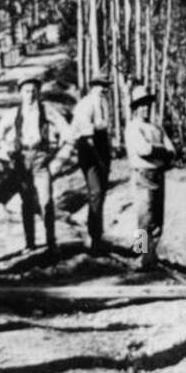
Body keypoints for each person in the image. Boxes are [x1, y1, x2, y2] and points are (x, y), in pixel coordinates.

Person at [0, 77, 74, 255]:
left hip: (41, 159)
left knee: (46, 201)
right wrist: (8, 150)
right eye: (26, 91)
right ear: (21, 93)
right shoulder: (15, 113)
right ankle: (29, 243)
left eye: (33, 91)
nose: (30, 95)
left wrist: (59, 159)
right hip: (22, 161)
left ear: (38, 93)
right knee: (27, 202)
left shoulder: (47, 110)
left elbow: (68, 133)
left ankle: (51, 242)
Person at [124, 84, 175, 270]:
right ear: (135, 108)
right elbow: (144, 150)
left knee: (158, 219)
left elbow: (172, 150)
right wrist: (159, 151)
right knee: (144, 217)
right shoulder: (133, 128)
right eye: (141, 105)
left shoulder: (156, 128)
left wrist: (158, 151)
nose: (145, 108)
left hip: (158, 174)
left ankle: (150, 256)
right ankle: (140, 254)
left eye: (147, 105)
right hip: (142, 174)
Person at [71, 70, 113, 255]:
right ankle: (94, 238)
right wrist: (98, 159)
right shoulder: (85, 104)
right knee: (96, 192)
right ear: (93, 86)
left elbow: (104, 128)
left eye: (106, 86)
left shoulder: (104, 102)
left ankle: (98, 235)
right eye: (101, 86)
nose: (104, 89)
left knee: (101, 192)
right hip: (89, 148)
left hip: (102, 147)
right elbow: (87, 135)